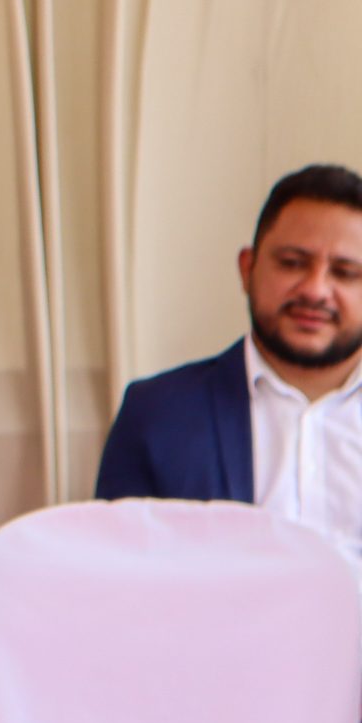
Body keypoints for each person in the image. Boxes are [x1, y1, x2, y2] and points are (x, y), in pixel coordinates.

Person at [96, 163, 362, 593]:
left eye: (345, 272)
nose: (315, 290)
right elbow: (114, 584)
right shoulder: (157, 414)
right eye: (293, 263)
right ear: (247, 268)